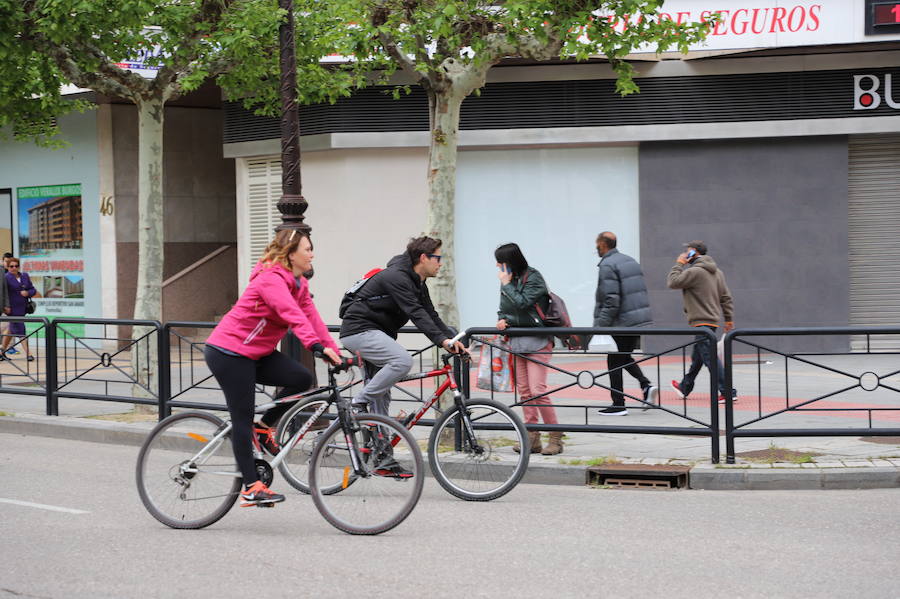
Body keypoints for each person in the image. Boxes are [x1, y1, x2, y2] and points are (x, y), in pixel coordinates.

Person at [204, 229, 341, 507]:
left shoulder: (298, 283)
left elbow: (311, 317)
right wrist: (315, 346)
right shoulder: (270, 279)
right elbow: (291, 315)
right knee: (241, 419)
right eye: (307, 249)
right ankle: (251, 486)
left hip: (256, 353)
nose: (312, 254)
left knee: (301, 378)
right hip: (229, 352)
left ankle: (264, 427)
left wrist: (334, 352)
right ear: (291, 254)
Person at [340, 236, 465, 419]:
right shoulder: (397, 277)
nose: (441, 263)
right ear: (423, 258)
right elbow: (416, 312)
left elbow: (430, 314)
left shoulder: (418, 283)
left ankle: (377, 442)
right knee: (402, 361)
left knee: (380, 395)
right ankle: (357, 402)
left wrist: (450, 339)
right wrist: (441, 340)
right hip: (360, 331)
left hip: (375, 333)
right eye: (438, 258)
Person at [495, 242, 563, 455]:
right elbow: (505, 308)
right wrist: (502, 320)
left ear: (510, 261)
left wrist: (506, 285)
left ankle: (555, 436)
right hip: (516, 340)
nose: (497, 265)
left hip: (537, 340)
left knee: (537, 390)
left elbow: (523, 303)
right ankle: (532, 437)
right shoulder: (508, 281)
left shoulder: (534, 277)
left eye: (500, 261)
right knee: (525, 392)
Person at [594, 232, 658, 416]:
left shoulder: (607, 264)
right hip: (635, 321)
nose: (596, 249)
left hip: (621, 322)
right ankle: (646, 386)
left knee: (614, 361)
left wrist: (600, 326)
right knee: (624, 357)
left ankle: (618, 404)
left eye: (597, 245)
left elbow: (611, 299)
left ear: (603, 244)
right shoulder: (630, 261)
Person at [666, 240, 737, 404]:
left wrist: (679, 263)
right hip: (711, 321)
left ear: (694, 253)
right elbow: (726, 297)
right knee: (698, 357)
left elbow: (672, 282)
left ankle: (727, 391)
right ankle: (685, 386)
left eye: (688, 251)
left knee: (709, 358)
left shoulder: (695, 271)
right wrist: (728, 319)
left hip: (700, 321)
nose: (685, 254)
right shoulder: (717, 272)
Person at [2, 258, 35, 361]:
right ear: (7, 267)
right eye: (11, 266)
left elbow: (33, 289)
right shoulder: (6, 277)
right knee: (20, 328)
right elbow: (2, 293)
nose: (14, 268)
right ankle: (28, 353)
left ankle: (1, 351)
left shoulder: (24, 276)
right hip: (11, 309)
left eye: (16, 266)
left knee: (11, 329)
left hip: (23, 308)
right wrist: (4, 307)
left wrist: (28, 293)